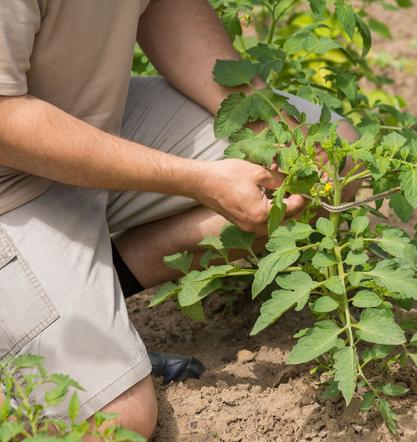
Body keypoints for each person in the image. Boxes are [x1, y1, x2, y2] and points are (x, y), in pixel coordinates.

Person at [0, 0, 357, 438]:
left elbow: (165, 7)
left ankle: (94, 287)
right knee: (112, 424)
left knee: (329, 160)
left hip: (88, 119)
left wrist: (269, 129)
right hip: (9, 186)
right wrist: (198, 180)